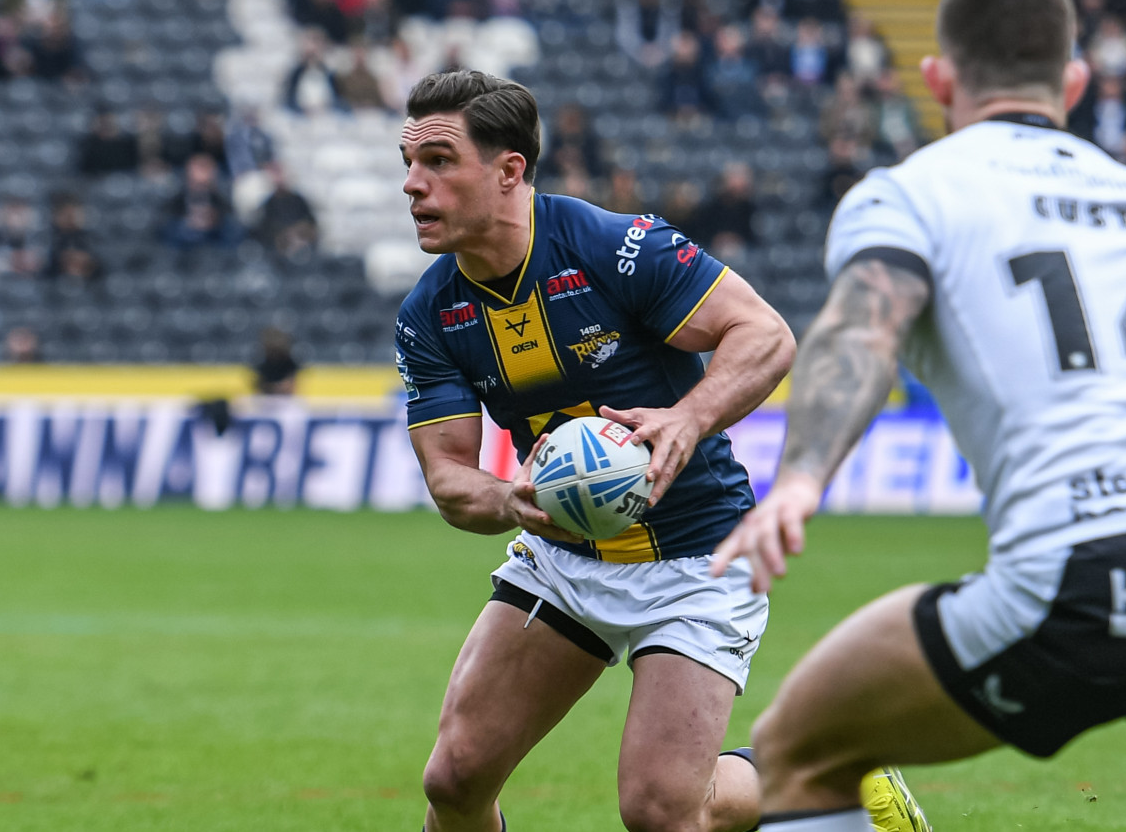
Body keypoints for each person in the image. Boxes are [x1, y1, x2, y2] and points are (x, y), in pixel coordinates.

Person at [713, 0, 1126, 832]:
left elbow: (862, 331)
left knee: (797, 751)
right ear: (1074, 82)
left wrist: (801, 479)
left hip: (1079, 570)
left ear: (938, 80)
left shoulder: (910, 193)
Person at [393, 70, 924, 832]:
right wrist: (510, 497)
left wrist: (687, 417)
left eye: (438, 160)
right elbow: (448, 476)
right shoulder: (430, 312)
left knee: (662, 809)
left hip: (695, 558)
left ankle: (832, 774)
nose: (413, 183)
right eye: (409, 162)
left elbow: (766, 334)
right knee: (454, 778)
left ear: (509, 170)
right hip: (564, 559)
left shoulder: (613, 247)